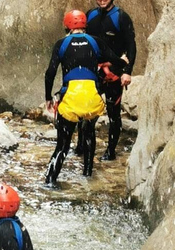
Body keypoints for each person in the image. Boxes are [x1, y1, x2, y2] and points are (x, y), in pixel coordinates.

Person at [44, 10, 127, 184]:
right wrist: (116, 62)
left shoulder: (61, 44)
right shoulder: (95, 41)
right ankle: (88, 174)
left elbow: (50, 73)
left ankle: (50, 180)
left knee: (63, 145)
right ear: (85, 26)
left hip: (71, 98)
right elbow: (117, 61)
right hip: (91, 97)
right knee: (88, 133)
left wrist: (48, 98)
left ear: (66, 26)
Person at [82, 0, 137, 161]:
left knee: (114, 113)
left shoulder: (121, 17)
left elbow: (131, 46)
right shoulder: (90, 15)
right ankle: (82, 147)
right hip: (95, 72)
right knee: (87, 112)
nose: (102, 0)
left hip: (114, 72)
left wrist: (127, 72)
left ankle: (110, 151)